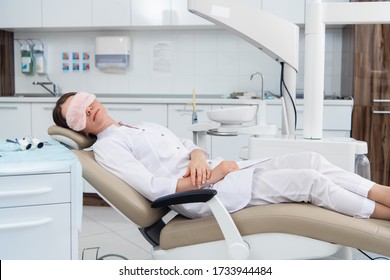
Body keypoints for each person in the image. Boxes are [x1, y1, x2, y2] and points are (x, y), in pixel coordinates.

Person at [52, 91, 390, 220]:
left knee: (312, 160)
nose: (87, 110)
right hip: (207, 195)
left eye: (83, 101)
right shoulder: (109, 147)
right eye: (77, 114)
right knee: (310, 181)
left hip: (220, 172)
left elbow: (187, 144)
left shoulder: (139, 126)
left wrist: (199, 156)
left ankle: (385, 195)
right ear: (79, 128)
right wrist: (210, 176)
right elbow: (155, 187)